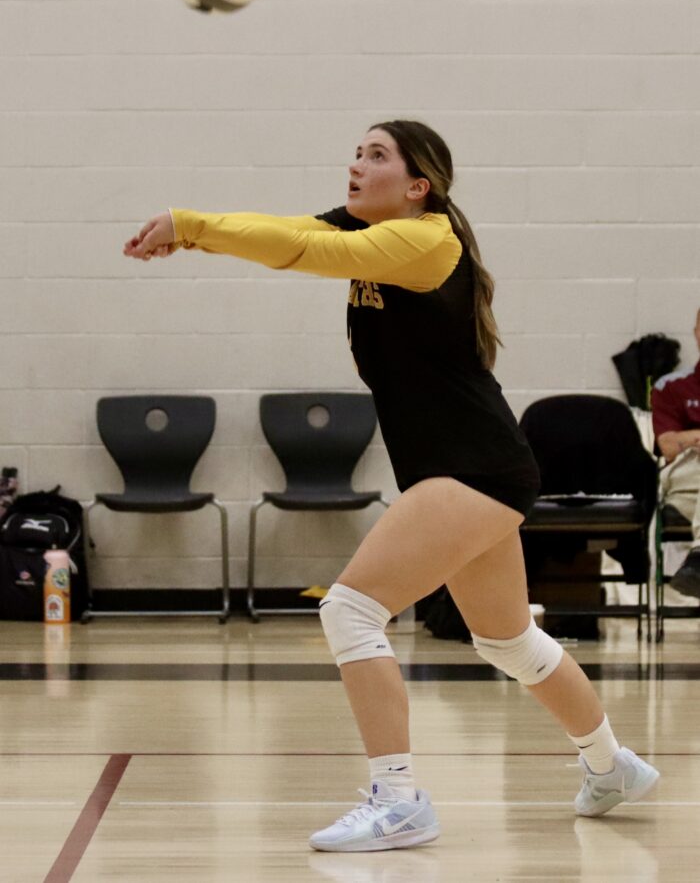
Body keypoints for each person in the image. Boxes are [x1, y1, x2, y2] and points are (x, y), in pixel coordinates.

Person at [124, 119, 659, 852]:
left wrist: (191, 223)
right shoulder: (370, 233)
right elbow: (290, 233)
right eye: (356, 151)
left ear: (419, 186)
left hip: (471, 466)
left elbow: (309, 250)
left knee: (349, 611)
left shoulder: (428, 238)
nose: (355, 165)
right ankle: (611, 767)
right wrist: (191, 234)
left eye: (376, 156)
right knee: (508, 641)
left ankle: (399, 799)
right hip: (474, 467)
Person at [651, 308, 700, 597]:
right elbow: (668, 445)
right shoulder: (671, 386)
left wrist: (691, 435)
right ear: (696, 333)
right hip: (685, 476)